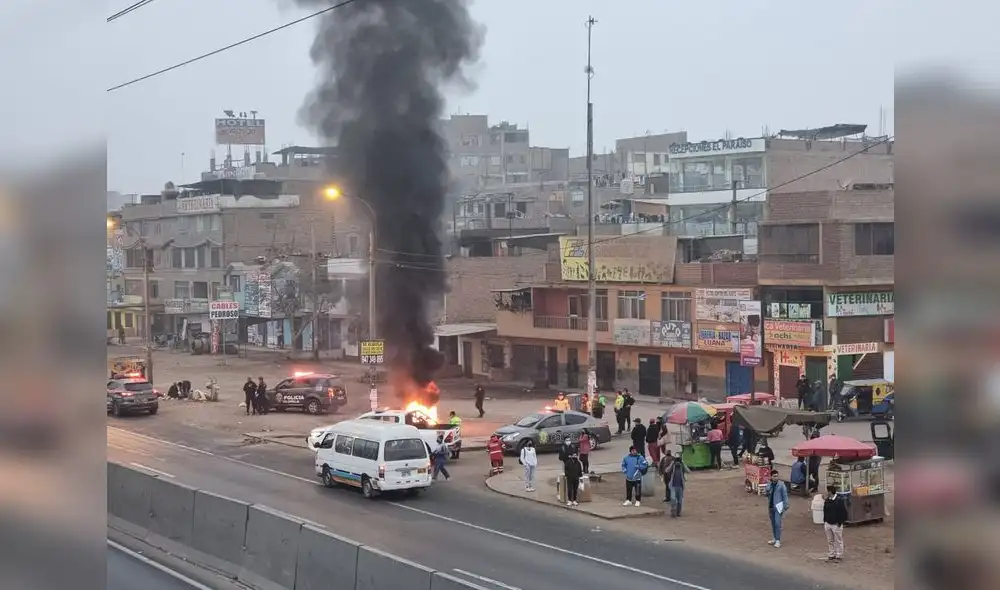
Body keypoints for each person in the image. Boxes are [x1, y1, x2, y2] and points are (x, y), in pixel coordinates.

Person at [823, 485, 848, 561]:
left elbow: (844, 513)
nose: (826, 493)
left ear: (830, 492)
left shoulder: (839, 501)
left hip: (836, 524)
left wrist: (839, 522)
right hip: (828, 523)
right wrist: (825, 521)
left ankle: (839, 555)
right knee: (830, 540)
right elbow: (825, 510)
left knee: (838, 540)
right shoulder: (827, 500)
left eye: (827, 491)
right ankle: (832, 554)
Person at [766, 469, 789, 548]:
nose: (776, 478)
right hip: (771, 506)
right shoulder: (769, 484)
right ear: (771, 477)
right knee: (773, 523)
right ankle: (775, 538)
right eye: (774, 476)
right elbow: (766, 493)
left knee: (777, 523)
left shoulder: (781, 485)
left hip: (778, 507)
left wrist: (785, 506)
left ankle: (778, 540)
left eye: (777, 476)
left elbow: (785, 496)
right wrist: (768, 487)